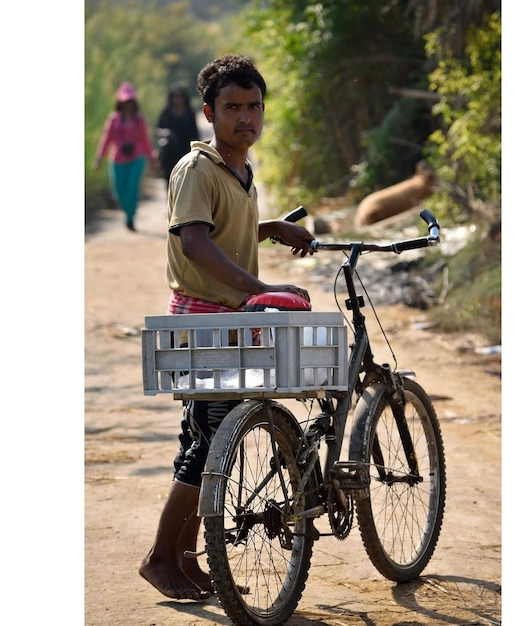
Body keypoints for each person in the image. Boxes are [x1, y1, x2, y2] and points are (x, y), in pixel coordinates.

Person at [138, 54, 315, 601]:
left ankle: (186, 561)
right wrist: (258, 290)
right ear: (209, 112)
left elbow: (223, 229)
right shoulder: (197, 168)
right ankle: (162, 557)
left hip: (230, 319)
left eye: (254, 106)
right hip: (203, 320)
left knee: (208, 440)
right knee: (209, 444)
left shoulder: (240, 171)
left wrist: (269, 227)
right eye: (233, 107)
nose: (246, 117)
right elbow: (193, 240)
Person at [93, 82, 157, 231]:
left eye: (130, 101)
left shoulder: (139, 119)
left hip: (136, 159)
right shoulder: (114, 119)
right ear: (120, 103)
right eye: (125, 102)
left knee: (132, 189)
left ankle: (130, 217)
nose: (128, 104)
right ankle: (128, 212)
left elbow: (145, 140)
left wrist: (151, 158)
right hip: (117, 159)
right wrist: (98, 158)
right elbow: (106, 139)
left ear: (134, 102)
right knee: (119, 193)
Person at [155, 85, 200, 188]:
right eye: (175, 97)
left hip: (186, 153)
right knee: (170, 182)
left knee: (185, 183)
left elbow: (195, 134)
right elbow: (157, 129)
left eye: (180, 97)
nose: (178, 100)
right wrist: (166, 133)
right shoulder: (166, 112)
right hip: (169, 154)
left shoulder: (189, 113)